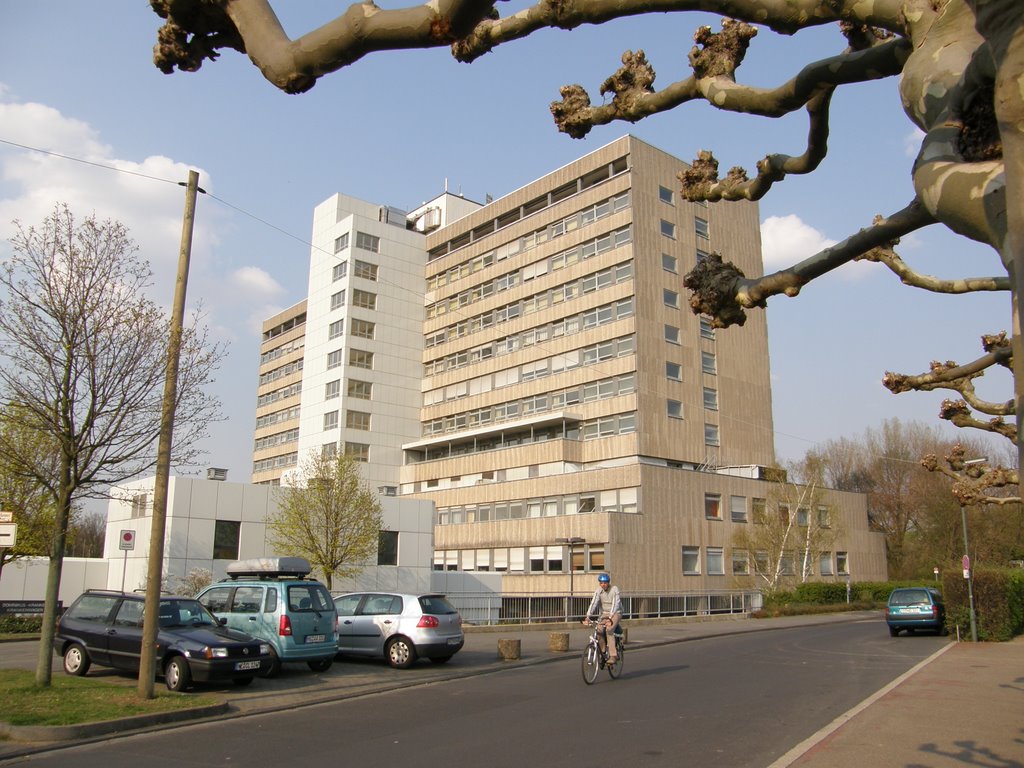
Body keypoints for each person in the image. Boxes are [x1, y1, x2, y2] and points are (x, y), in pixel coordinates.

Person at [584, 572, 622, 665]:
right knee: (599, 630)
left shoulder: (614, 589)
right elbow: (594, 603)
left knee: (609, 629)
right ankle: (603, 651)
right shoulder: (598, 590)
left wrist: (610, 618)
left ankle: (613, 655)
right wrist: (588, 616)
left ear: (608, 582)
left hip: (616, 612)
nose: (603, 585)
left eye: (605, 583)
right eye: (601, 583)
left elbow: (615, 604)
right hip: (604, 614)